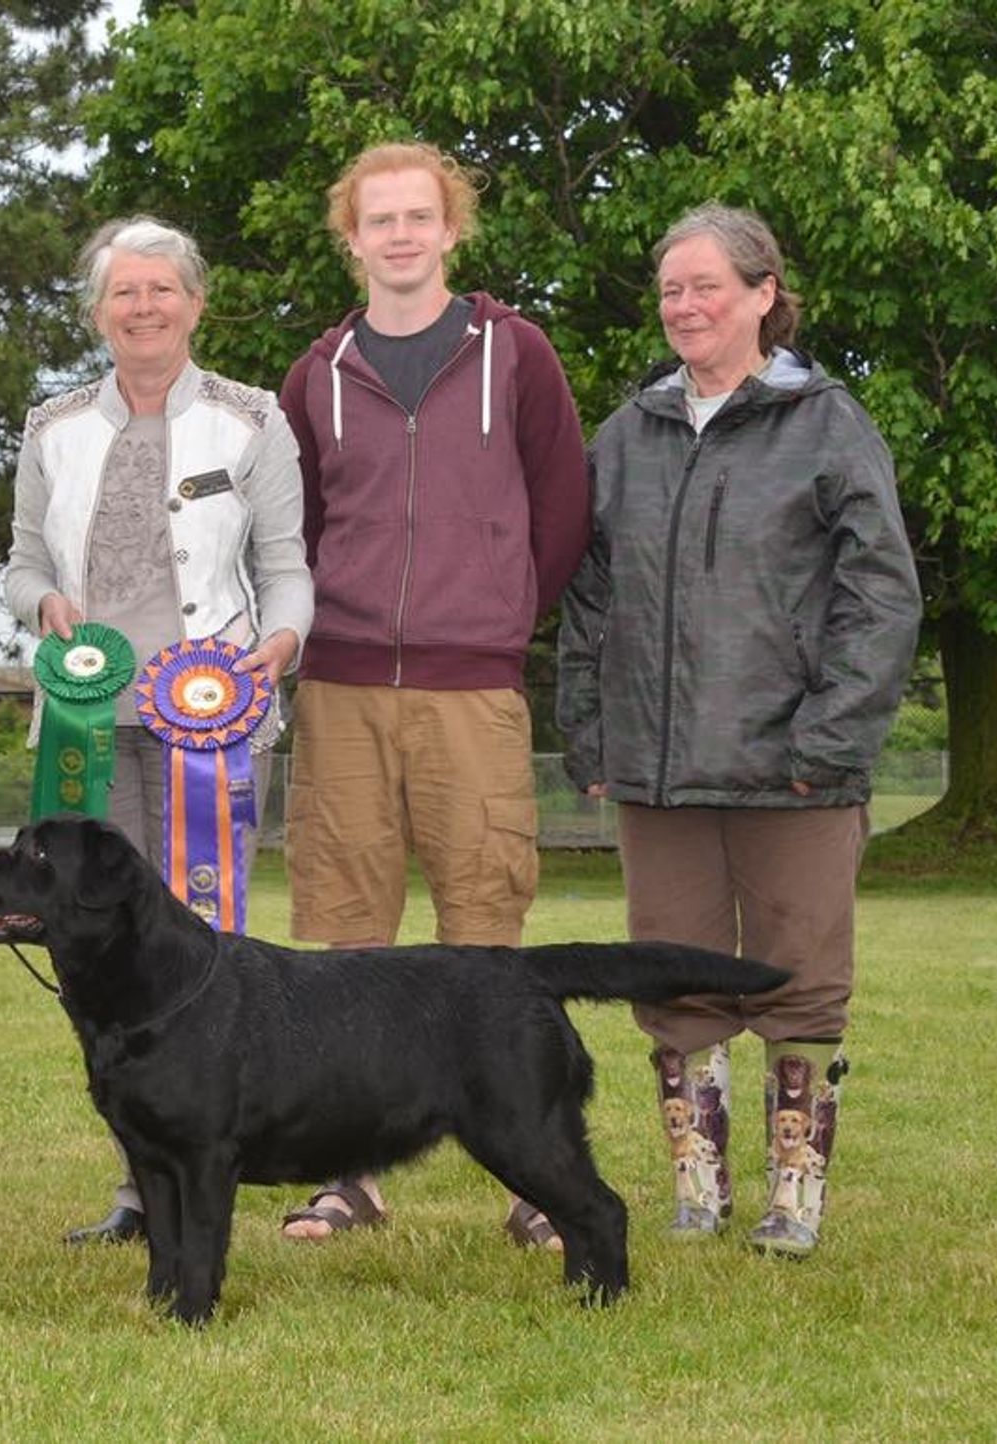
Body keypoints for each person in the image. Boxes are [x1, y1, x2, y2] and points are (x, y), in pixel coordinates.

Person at [556, 203, 921, 1257]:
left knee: (800, 978)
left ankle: (792, 1197)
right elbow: (585, 595)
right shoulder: (626, 435)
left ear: (764, 294)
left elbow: (881, 597)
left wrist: (831, 741)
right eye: (671, 289)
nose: (685, 306)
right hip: (657, 774)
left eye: (706, 286)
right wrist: (592, 731)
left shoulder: (828, 424)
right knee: (674, 979)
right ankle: (697, 1186)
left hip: (791, 768)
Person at [277, 142, 590, 1244]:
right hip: (342, 686)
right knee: (347, 946)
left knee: (487, 939)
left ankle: (535, 1180)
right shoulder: (315, 376)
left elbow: (562, 506)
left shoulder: (518, 354)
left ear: (452, 229)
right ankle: (352, 1176)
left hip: (473, 687)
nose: (401, 235)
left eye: (420, 215)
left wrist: (500, 612)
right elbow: (294, 529)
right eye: (380, 219)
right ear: (351, 237)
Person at [6, 216, 314, 1244]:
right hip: (88, 727)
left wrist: (282, 642)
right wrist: (41, 603)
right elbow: (22, 563)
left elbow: (285, 565)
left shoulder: (254, 419)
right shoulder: (51, 426)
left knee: (200, 957)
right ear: (97, 312)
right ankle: (138, 1180)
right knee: (101, 956)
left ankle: (196, 1163)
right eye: (123, 292)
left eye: (161, 289)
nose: (143, 307)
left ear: (196, 302)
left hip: (211, 726)